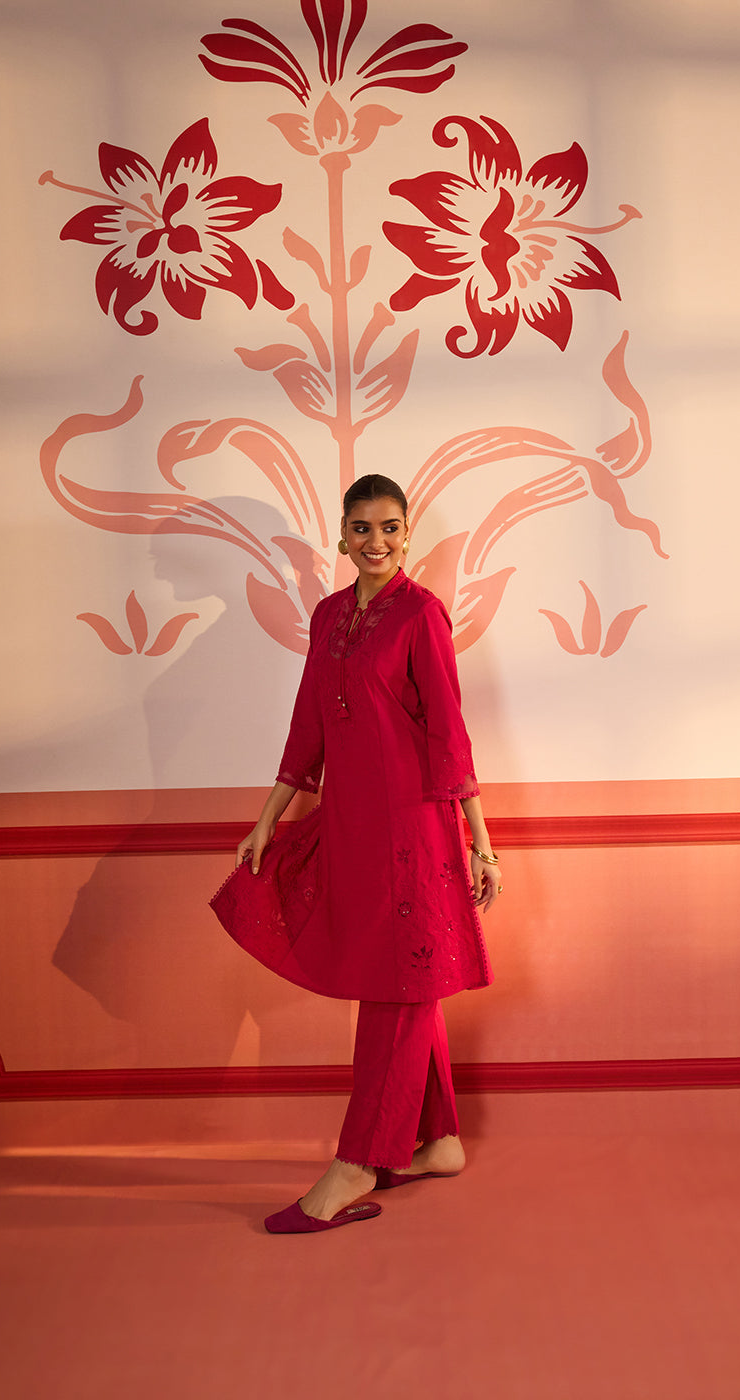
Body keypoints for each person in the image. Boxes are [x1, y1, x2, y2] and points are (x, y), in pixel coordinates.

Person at [210, 474, 501, 1234]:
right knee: (405, 979)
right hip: (349, 825)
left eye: (391, 529)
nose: (378, 542)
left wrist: (482, 841)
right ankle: (437, 1142)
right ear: (341, 539)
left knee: (397, 985)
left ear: (409, 537)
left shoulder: (422, 615)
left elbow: (449, 732)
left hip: (413, 829)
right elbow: (309, 724)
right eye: (362, 530)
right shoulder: (329, 615)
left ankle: (356, 1163)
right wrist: (268, 817)